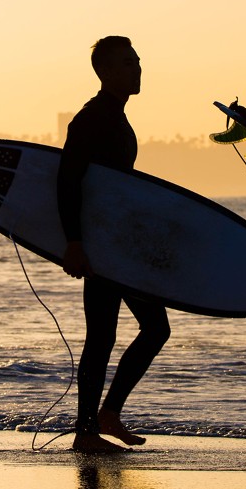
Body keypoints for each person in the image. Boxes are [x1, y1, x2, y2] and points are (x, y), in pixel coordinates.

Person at [57, 36, 171, 453]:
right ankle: (89, 429)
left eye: (138, 62)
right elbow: (67, 181)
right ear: (104, 71)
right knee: (114, 334)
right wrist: (75, 243)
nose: (137, 69)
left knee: (137, 331)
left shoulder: (116, 117)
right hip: (103, 247)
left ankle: (102, 419)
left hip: (117, 244)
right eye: (127, 63)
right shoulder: (93, 118)